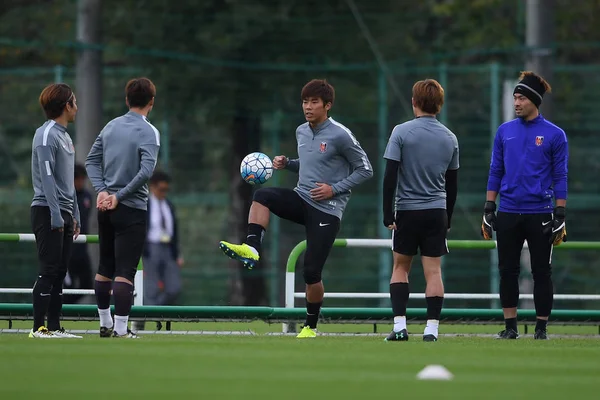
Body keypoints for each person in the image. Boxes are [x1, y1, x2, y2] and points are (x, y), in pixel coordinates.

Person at [219, 79, 373, 338]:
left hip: (327, 210)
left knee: (311, 271)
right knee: (262, 195)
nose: (308, 107)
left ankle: (310, 327)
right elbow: (313, 163)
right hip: (302, 199)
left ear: (328, 105)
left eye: (314, 102)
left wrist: (333, 189)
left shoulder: (340, 134)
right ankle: (252, 248)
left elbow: (366, 169)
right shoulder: (301, 131)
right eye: (305, 101)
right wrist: (288, 163)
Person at [482, 71, 568, 340]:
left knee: (542, 271)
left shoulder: (555, 135)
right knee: (507, 271)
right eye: (514, 98)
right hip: (507, 211)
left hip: (540, 213)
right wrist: (488, 207)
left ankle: (541, 329)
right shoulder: (504, 131)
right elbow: (496, 169)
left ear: (533, 100)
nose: (516, 102)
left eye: (520, 98)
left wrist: (560, 212)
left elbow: (561, 175)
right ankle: (510, 327)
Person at [382, 79, 459, 343]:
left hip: (407, 210)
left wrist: (386, 212)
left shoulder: (401, 132)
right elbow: (453, 183)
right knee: (434, 271)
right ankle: (432, 329)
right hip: (437, 211)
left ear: (414, 102)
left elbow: (390, 175)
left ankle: (400, 327)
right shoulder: (450, 137)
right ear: (439, 104)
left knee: (400, 267)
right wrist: (447, 216)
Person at [85, 77, 160, 339]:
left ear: (127, 100)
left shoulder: (110, 126)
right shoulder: (149, 131)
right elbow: (146, 171)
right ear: (152, 101)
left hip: (105, 207)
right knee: (125, 270)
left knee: (105, 266)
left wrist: (102, 190)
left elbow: (91, 161)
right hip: (131, 207)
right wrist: (120, 195)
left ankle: (104, 323)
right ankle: (120, 328)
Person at [29, 83, 82, 338]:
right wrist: (55, 213)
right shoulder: (46, 134)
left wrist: (75, 214)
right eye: (74, 101)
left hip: (64, 211)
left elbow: (67, 181)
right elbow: (48, 178)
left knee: (61, 271)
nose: (77, 107)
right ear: (65, 105)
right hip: (47, 209)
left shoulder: (65, 135)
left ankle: (54, 326)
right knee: (48, 269)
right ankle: (38, 327)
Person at [143, 170, 183, 305]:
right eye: (161, 189)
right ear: (153, 187)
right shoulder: (146, 204)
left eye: (166, 189)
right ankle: (149, 316)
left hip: (168, 248)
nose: (164, 193)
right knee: (151, 288)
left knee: (174, 287)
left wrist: (177, 254)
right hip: (151, 248)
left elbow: (175, 230)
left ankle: (156, 310)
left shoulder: (169, 205)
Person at [64, 163, 94, 304]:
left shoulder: (87, 196)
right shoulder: (65, 196)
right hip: (66, 249)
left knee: (88, 285)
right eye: (78, 179)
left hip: (82, 248)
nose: (81, 182)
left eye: (83, 179)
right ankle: (58, 308)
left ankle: (65, 305)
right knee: (66, 285)